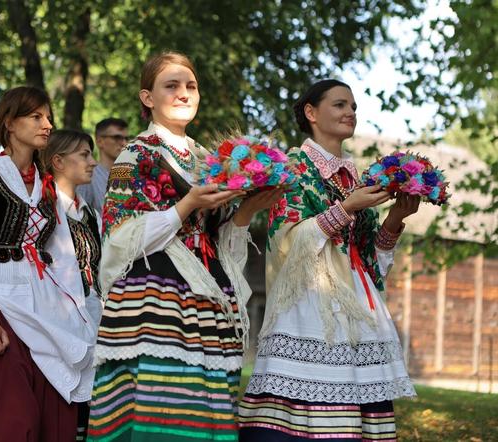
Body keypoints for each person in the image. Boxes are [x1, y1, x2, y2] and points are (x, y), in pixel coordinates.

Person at [87, 51, 281, 442]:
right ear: (148, 98)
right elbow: (120, 236)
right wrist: (186, 204)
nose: (183, 93)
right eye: (171, 86)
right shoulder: (135, 155)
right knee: (161, 416)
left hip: (207, 300)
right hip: (153, 300)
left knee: (204, 415)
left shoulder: (208, 160)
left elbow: (218, 238)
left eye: (190, 86)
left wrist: (246, 211)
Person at [238, 79, 420, 441]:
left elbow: (368, 259)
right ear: (311, 113)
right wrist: (345, 209)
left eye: (353, 107)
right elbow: (286, 242)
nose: (350, 112)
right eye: (339, 105)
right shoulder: (294, 166)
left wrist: (396, 219)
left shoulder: (355, 176)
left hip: (356, 308)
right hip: (308, 304)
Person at [0, 87, 102, 441]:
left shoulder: (47, 185)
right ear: (9, 122)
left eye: (48, 116)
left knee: (53, 402)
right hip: (0, 297)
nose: (47, 124)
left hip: (45, 300)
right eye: (36, 116)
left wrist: (79, 313)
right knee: (12, 406)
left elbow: (63, 255)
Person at [78, 117, 129, 214]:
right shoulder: (88, 176)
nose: (124, 143)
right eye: (117, 138)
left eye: (126, 138)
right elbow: (80, 217)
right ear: (100, 141)